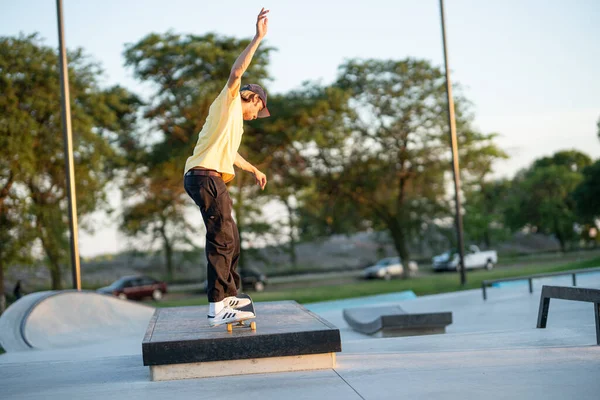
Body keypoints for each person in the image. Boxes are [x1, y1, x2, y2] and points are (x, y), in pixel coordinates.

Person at [183, 8, 271, 327]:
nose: (255, 116)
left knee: (229, 233)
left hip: (207, 176)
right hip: (206, 176)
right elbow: (236, 72)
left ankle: (229, 294)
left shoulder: (234, 125)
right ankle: (217, 305)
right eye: (257, 110)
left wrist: (253, 169)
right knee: (222, 235)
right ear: (253, 99)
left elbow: (232, 154)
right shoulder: (230, 102)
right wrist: (257, 38)